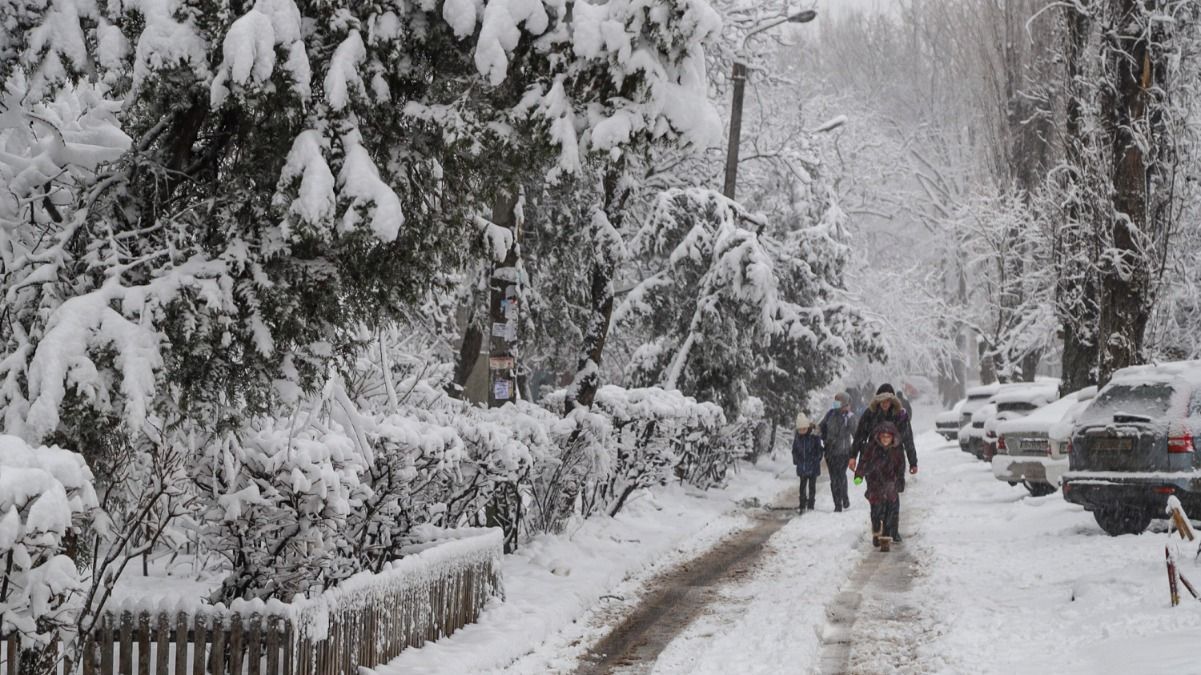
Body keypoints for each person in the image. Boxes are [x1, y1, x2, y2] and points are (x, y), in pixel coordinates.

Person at [853, 422, 907, 545]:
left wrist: (900, 480)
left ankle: (886, 536)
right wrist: (859, 475)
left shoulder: (896, 450)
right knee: (876, 511)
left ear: (893, 437)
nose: (885, 440)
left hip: (890, 484)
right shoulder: (871, 448)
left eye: (888, 437)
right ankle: (876, 531)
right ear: (879, 437)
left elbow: (900, 466)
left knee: (890, 511)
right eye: (883, 437)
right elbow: (863, 462)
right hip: (875, 484)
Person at [849, 383, 917, 478]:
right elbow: (860, 436)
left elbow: (908, 438)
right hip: (874, 458)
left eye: (887, 400)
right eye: (882, 400)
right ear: (877, 400)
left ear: (892, 400)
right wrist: (853, 456)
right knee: (874, 490)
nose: (885, 403)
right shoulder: (870, 413)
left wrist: (913, 462)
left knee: (894, 489)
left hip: (895, 459)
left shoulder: (900, 415)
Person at [820, 392, 857, 512]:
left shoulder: (850, 417)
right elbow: (821, 427)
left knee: (840, 476)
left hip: (843, 452)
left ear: (845, 404)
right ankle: (837, 503)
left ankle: (844, 498)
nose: (836, 403)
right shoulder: (830, 414)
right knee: (833, 479)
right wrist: (812, 430)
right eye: (835, 400)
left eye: (839, 401)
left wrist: (856, 450)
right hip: (830, 452)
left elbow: (856, 434)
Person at [791, 412, 824, 513]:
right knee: (802, 486)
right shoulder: (797, 438)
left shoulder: (814, 437)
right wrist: (796, 460)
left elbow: (819, 449)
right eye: (800, 430)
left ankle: (811, 505)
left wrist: (816, 458)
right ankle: (802, 504)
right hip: (802, 466)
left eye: (803, 429)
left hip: (813, 466)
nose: (802, 431)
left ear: (807, 427)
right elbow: (794, 450)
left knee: (812, 486)